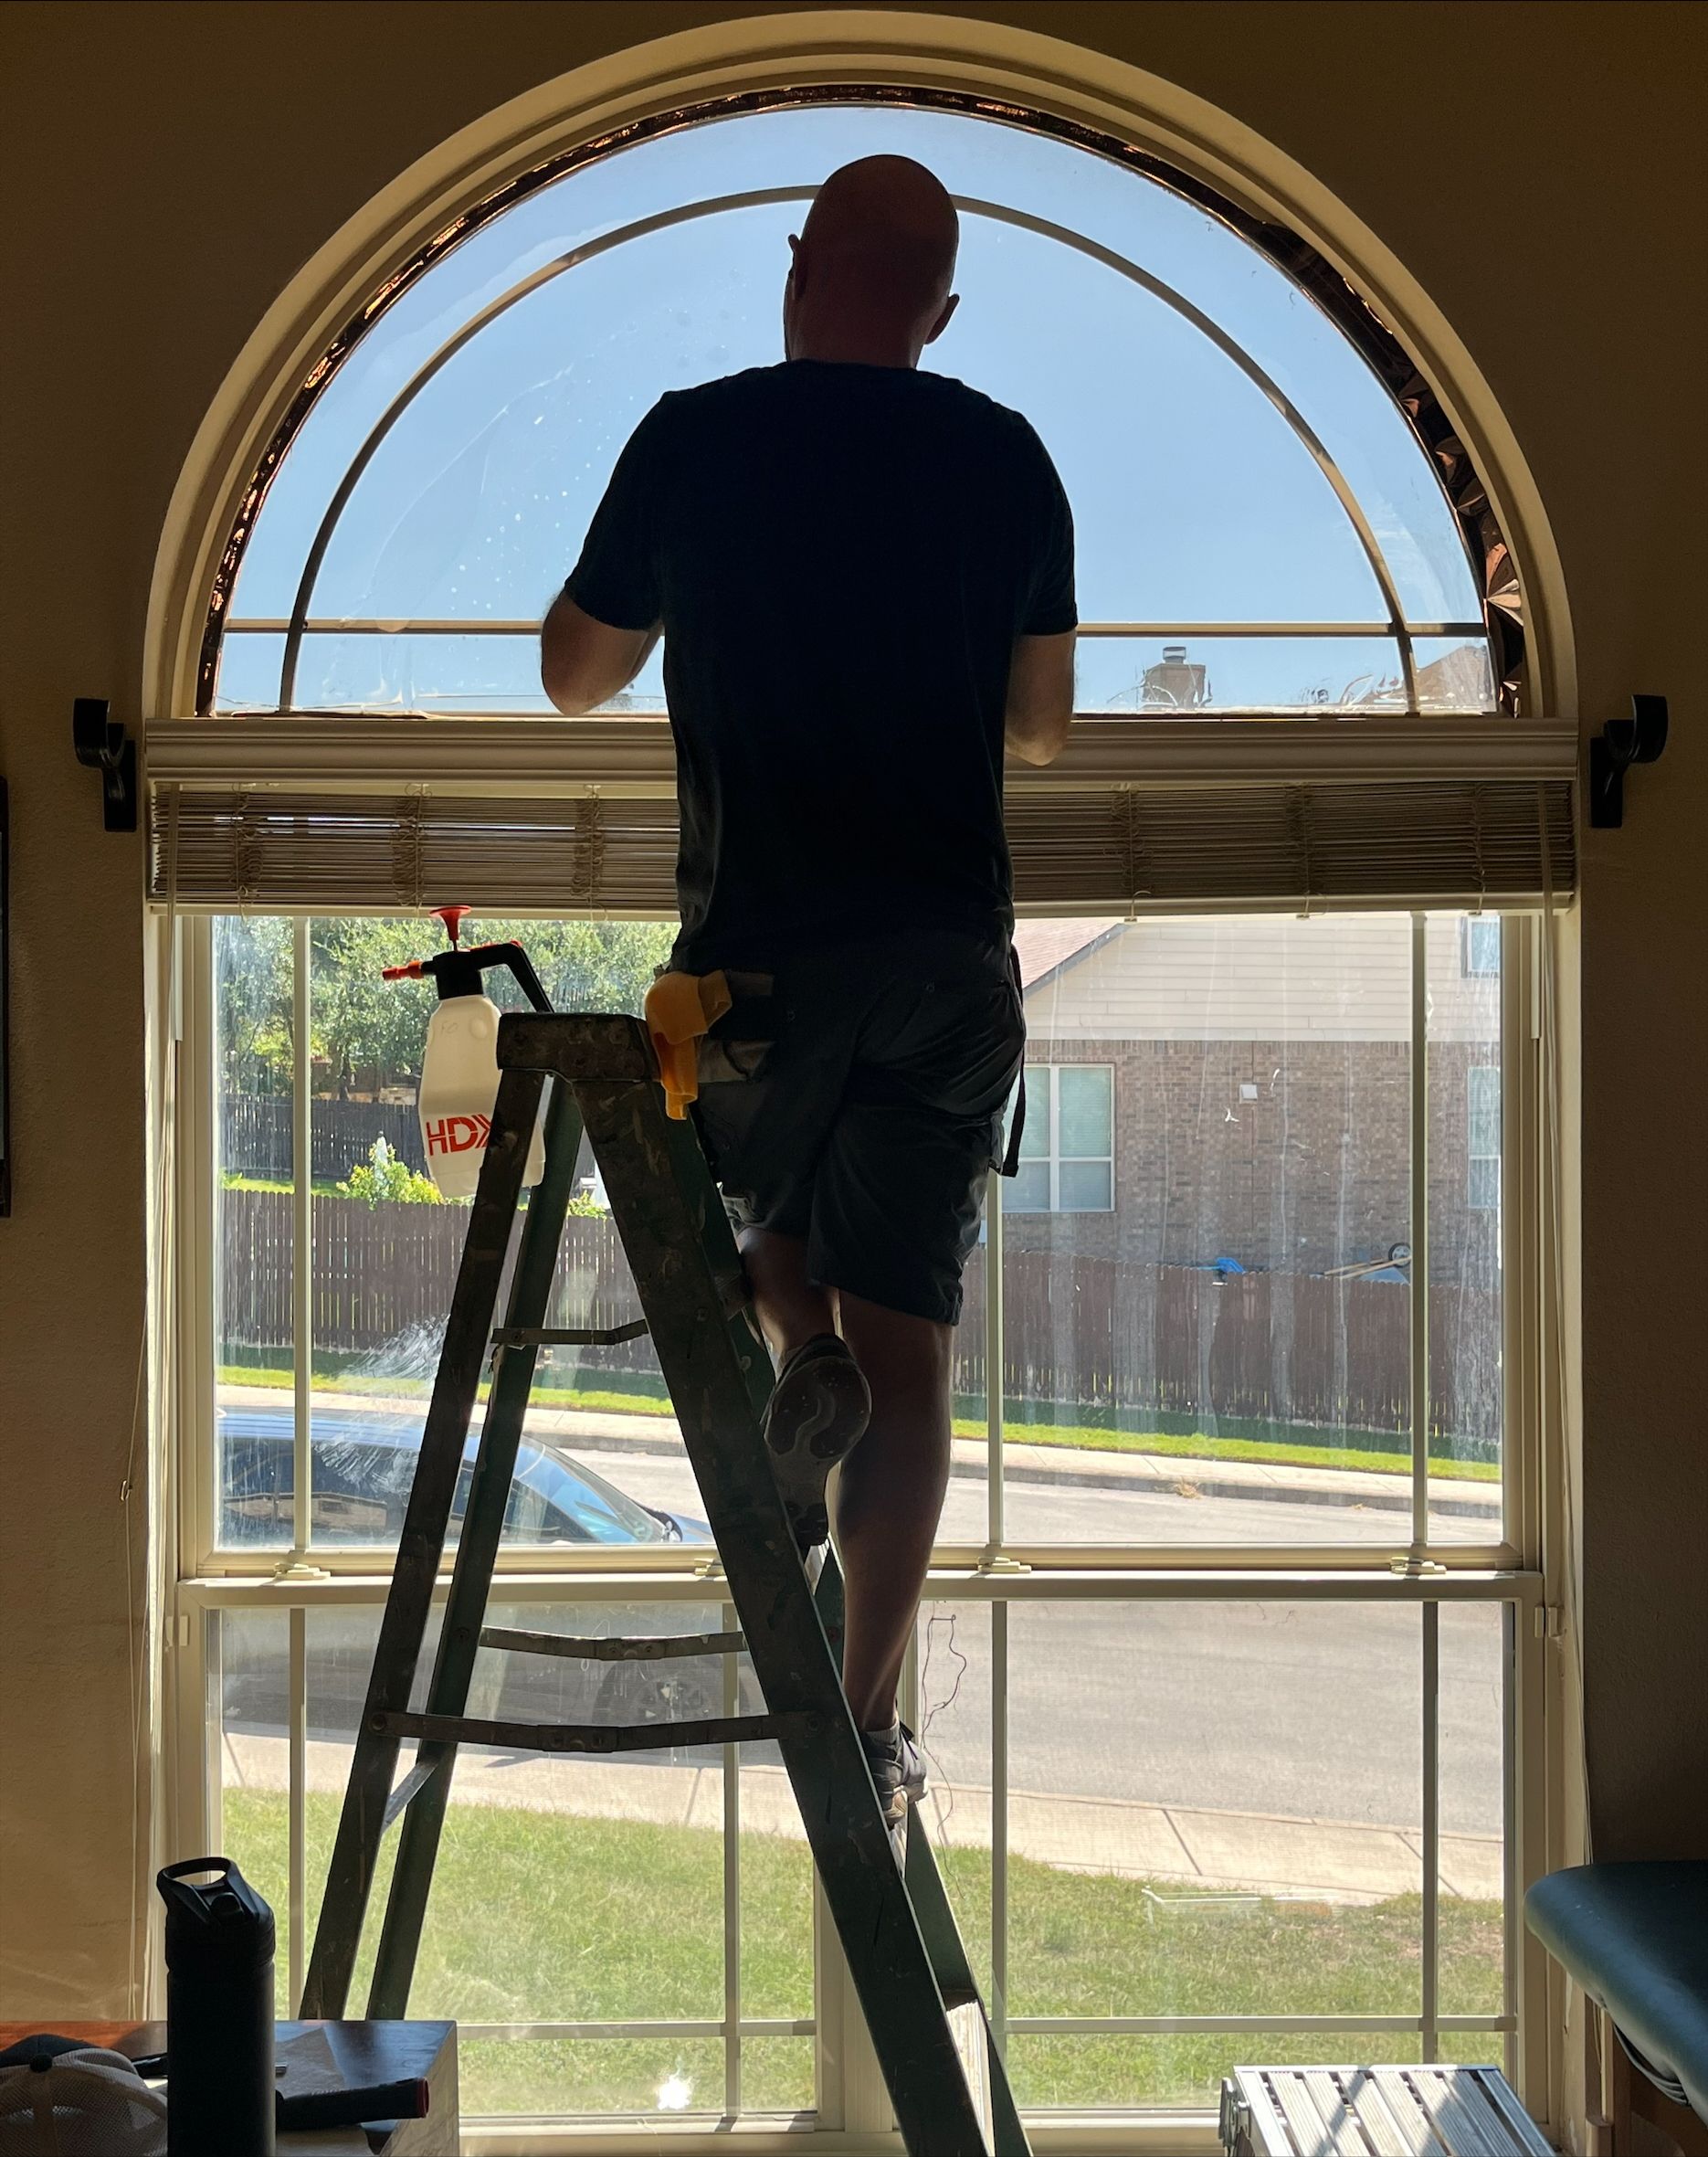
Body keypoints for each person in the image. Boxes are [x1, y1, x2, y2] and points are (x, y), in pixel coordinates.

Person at [542, 153, 1076, 1819]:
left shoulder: (694, 437)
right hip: (943, 966)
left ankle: (791, 1341)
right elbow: (1043, 728)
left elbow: (571, 678)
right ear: (940, 307)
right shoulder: (1003, 458)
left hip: (758, 966)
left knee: (760, 1234)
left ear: (797, 267)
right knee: (915, 1356)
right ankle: (866, 1729)